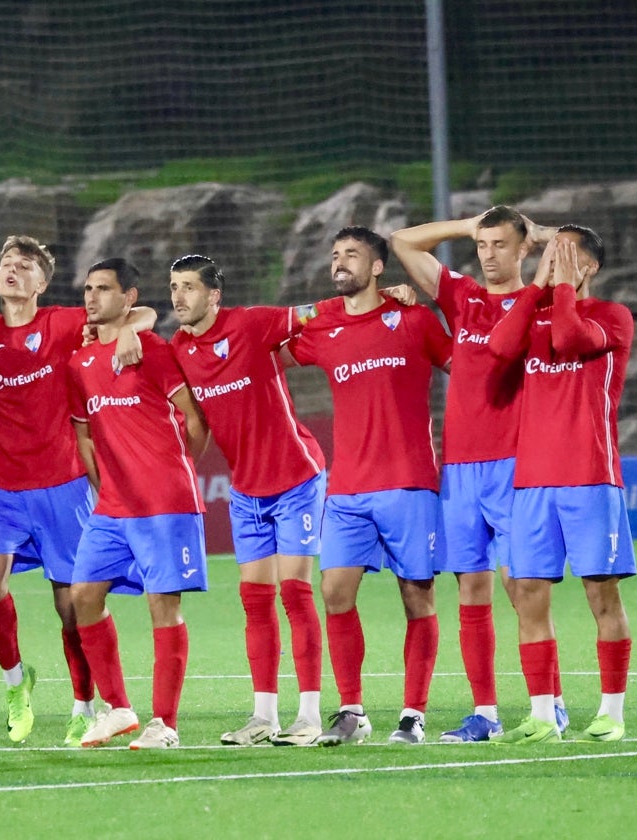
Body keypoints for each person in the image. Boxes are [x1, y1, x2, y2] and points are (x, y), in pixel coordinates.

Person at [0, 235, 155, 746]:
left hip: (63, 486)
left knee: (73, 605)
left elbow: (138, 315)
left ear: (42, 282)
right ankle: (17, 682)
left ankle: (84, 704)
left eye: (24, 265)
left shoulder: (60, 323)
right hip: (5, 490)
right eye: (6, 262)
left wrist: (130, 332)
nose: (11, 269)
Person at [391, 206, 569, 741]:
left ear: (522, 251)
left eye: (499, 245)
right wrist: (468, 224)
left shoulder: (539, 304)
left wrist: (542, 237)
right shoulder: (462, 296)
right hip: (461, 467)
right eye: (482, 245)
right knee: (471, 588)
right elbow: (402, 242)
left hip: (516, 463)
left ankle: (550, 703)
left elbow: (576, 246)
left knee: (523, 588)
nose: (488, 255)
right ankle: (485, 713)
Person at [286, 226, 452, 746]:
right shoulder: (322, 324)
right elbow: (268, 345)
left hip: (409, 481)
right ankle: (353, 712)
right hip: (348, 487)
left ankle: (413, 715)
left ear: (378, 267)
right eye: (335, 254)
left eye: (352, 255)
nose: (340, 262)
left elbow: (463, 368)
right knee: (334, 592)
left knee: (416, 596)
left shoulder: (415, 319)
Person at [168, 254, 327, 747]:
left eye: (189, 287)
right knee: (255, 602)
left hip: (296, 478)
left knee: (295, 594)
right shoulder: (179, 348)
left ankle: (310, 716)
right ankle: (264, 717)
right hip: (246, 491)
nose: (179, 297)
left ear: (213, 295)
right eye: (174, 287)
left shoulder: (253, 324)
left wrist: (387, 299)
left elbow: (318, 312)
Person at [488, 228, 635, 744]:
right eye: (548, 251)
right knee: (528, 594)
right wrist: (536, 287)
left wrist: (565, 290)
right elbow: (498, 347)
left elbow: (571, 339)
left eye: (562, 251)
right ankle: (542, 715)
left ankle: (611, 713)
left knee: (602, 597)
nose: (550, 258)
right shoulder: (533, 316)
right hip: (531, 483)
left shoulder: (612, 317)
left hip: (590, 479)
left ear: (588, 265)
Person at [67, 258, 209, 750]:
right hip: (112, 506)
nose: (91, 297)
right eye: (87, 288)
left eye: (103, 289)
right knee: (82, 595)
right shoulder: (79, 362)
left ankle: (164, 724)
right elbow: (85, 434)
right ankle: (119, 709)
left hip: (163, 502)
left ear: (128, 298)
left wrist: (174, 471)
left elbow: (195, 419)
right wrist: (105, 484)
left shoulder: (151, 348)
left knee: (162, 606)